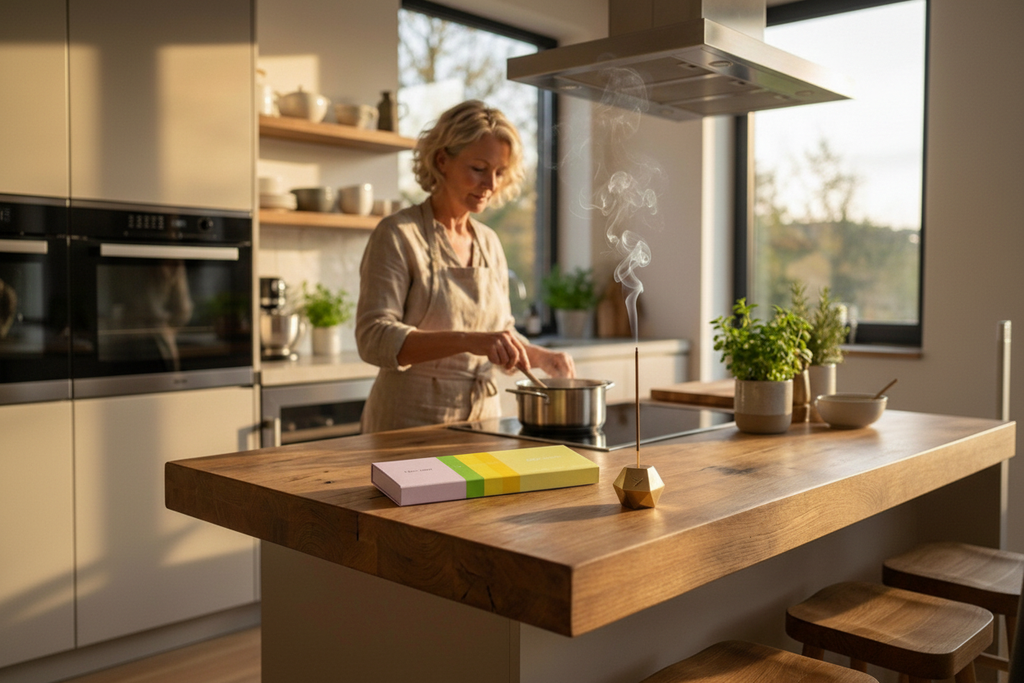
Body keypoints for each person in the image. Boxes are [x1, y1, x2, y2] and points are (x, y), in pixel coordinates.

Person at [356, 100, 575, 433]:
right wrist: (469, 340)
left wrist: (540, 356)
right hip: (408, 424)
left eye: (499, 172)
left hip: (483, 420)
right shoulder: (398, 234)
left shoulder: (489, 242)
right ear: (442, 160)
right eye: (478, 168)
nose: (491, 183)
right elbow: (373, 338)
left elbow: (497, 334)